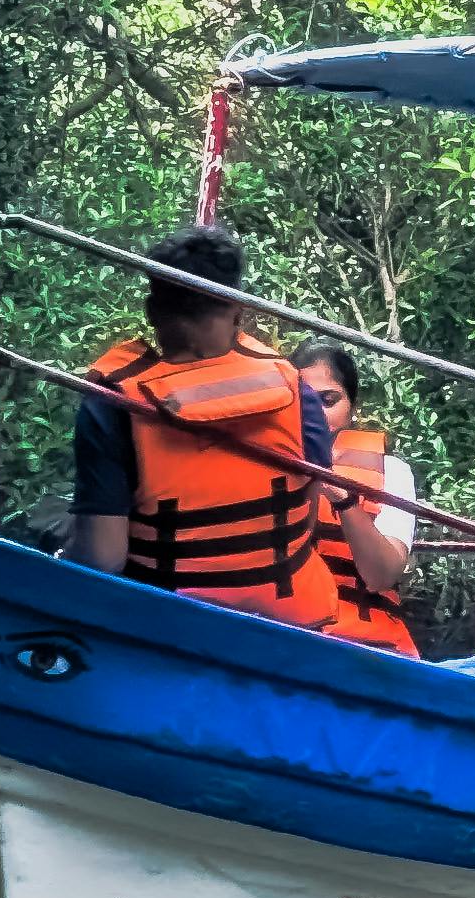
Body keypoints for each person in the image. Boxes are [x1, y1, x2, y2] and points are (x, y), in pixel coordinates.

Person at [67, 224, 343, 630]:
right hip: (290, 626)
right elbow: (310, 499)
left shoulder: (114, 404)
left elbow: (102, 559)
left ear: (152, 311)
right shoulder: (296, 389)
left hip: (168, 627)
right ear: (239, 310)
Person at [294, 339, 424, 655]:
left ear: (353, 408)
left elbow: (381, 576)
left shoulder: (392, 472)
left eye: (328, 400)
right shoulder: (262, 462)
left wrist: (342, 498)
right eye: (304, 401)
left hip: (363, 646)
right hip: (284, 633)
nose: (316, 413)